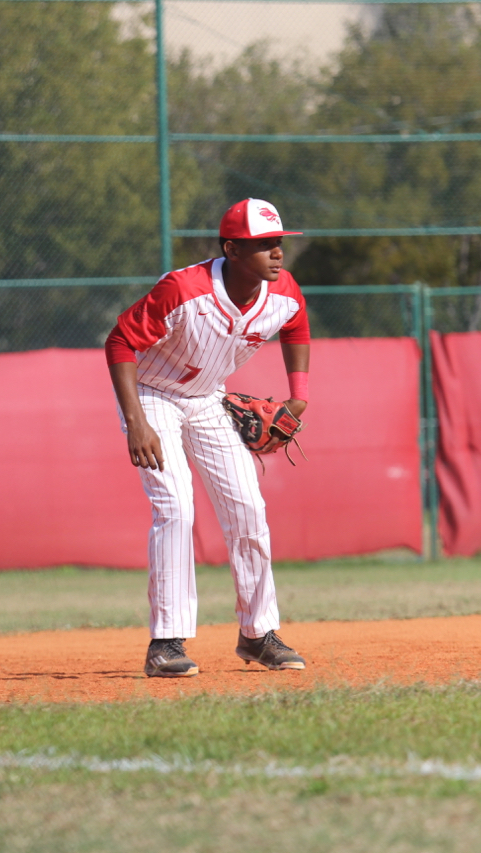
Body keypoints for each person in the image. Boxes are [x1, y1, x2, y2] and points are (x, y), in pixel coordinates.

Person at [105, 198, 311, 677]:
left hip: (207, 401)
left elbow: (297, 326)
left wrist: (298, 398)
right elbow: (120, 341)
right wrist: (136, 419)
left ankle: (258, 635)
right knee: (175, 506)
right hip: (153, 395)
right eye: (263, 245)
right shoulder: (183, 289)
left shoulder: (282, 292)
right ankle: (166, 644)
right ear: (232, 249)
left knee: (248, 507)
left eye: (278, 242)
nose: (277, 253)